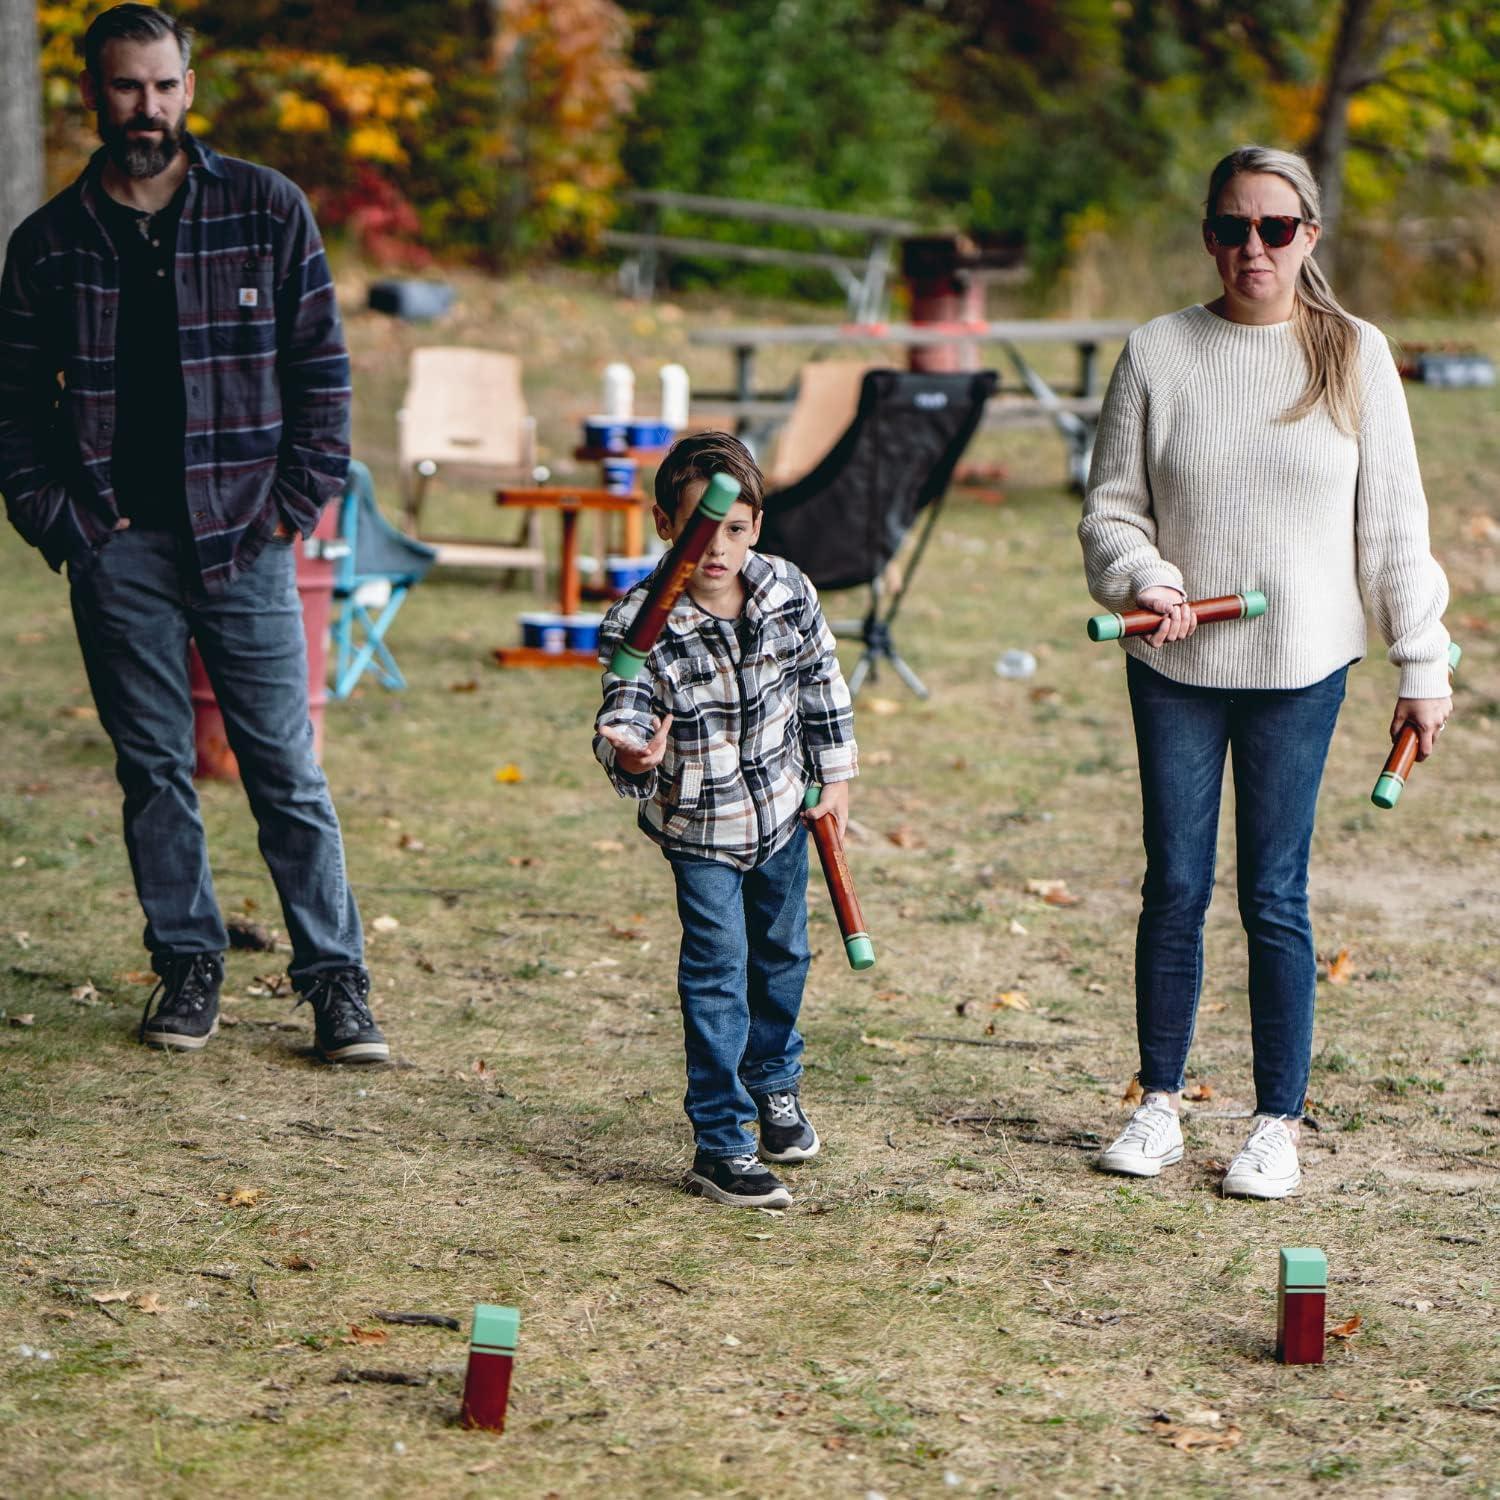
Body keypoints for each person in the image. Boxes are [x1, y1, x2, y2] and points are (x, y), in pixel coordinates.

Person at [0, 5, 387, 1063]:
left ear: (189, 87)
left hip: (245, 543)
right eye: (127, 87)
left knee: (285, 771)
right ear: (93, 92)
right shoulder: (50, 243)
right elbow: (15, 408)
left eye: (164, 86)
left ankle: (336, 984)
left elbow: (323, 375)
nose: (148, 108)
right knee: (154, 769)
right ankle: (187, 964)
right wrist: (67, 527)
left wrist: (287, 506)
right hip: (116, 547)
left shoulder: (266, 209)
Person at [1078, 145, 1451, 1199]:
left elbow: (1394, 527)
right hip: (1174, 661)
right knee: (1177, 884)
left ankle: (1276, 1122)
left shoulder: (1353, 352)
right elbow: (1111, 509)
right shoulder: (1157, 352)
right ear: (1208, 236)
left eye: (1276, 229)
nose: (1255, 247)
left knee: (1274, 895)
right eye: (1235, 228)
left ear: (1308, 238)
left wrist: (1422, 661)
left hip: (1301, 667)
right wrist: (1143, 575)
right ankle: (1159, 1102)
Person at [593, 433, 858, 1209]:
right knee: (717, 976)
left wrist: (835, 774)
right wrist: (635, 759)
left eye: (738, 529)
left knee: (782, 957)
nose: (721, 547)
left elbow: (819, 675)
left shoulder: (786, 591)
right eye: (703, 529)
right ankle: (721, 1141)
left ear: (757, 527)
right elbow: (626, 712)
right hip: (701, 831)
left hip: (779, 815)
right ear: (667, 525)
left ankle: (773, 1084)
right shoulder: (639, 621)